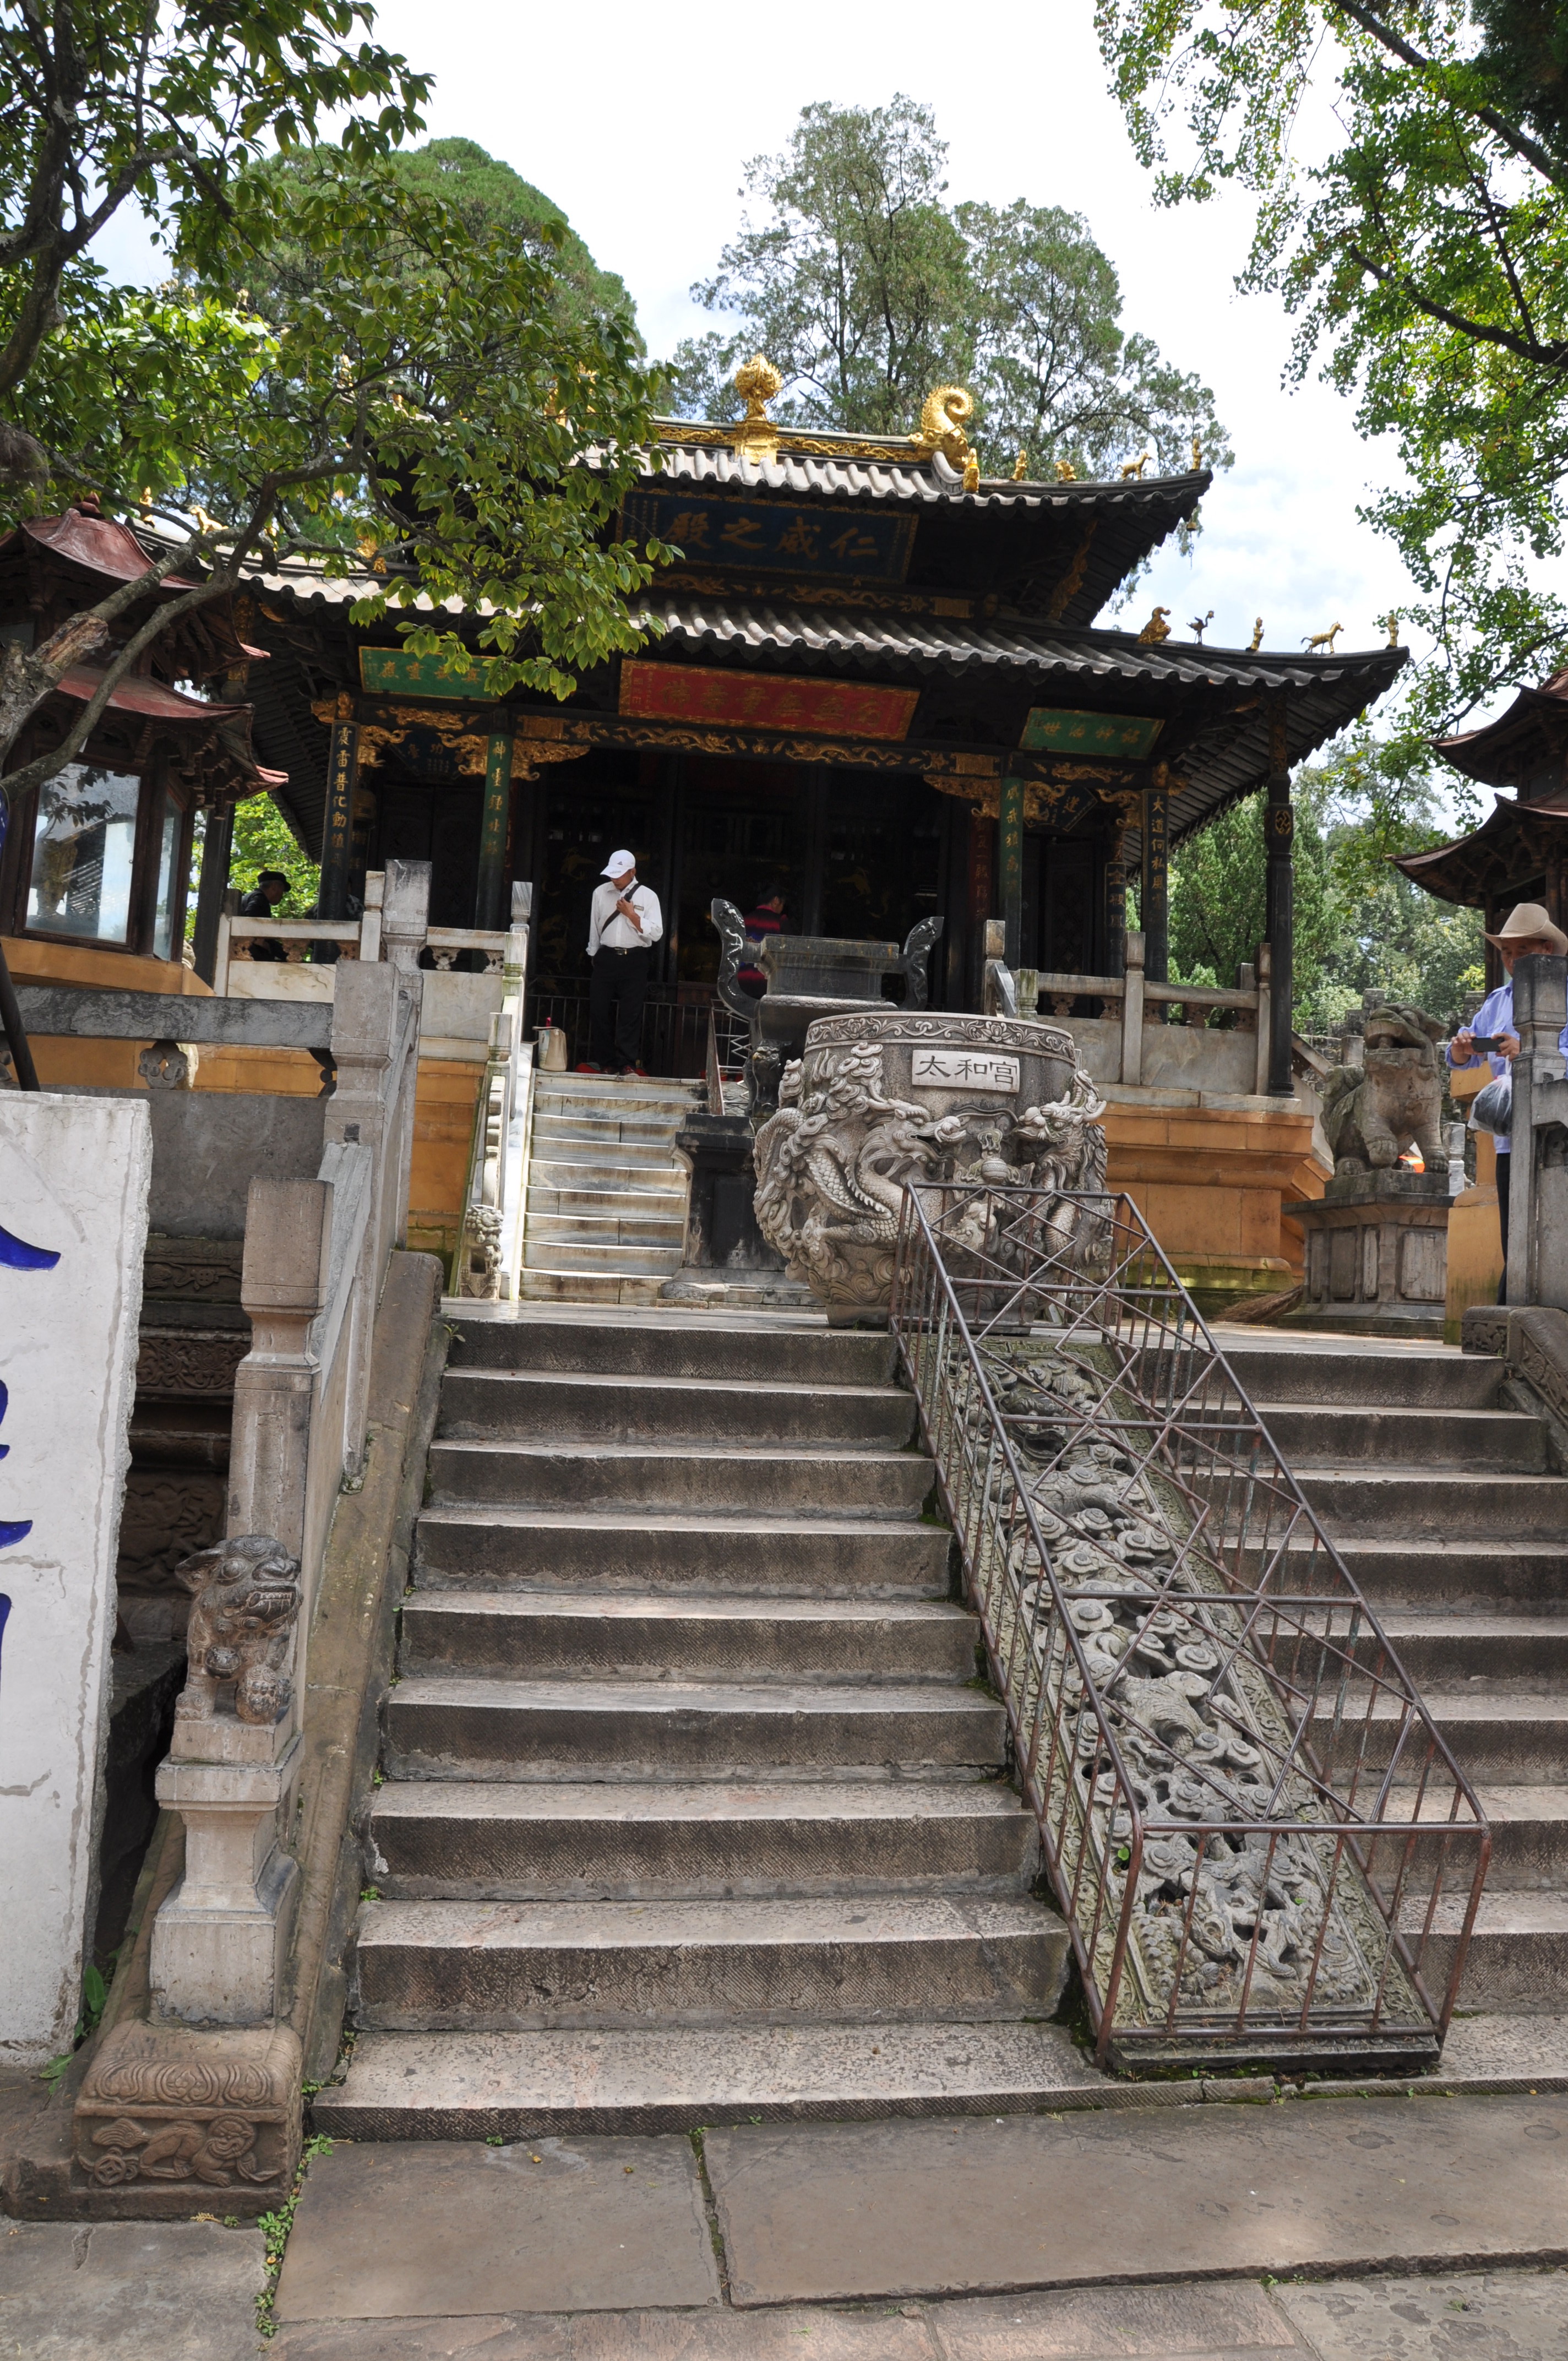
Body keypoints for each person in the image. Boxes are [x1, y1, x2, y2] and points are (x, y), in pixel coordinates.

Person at [1447, 901, 1568, 1299]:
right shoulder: (1498, 1000)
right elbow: (1461, 1056)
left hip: (1558, 1126)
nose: (1513, 959)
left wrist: (1531, 1049)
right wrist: (1464, 1048)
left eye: (1523, 950)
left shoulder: (1563, 993)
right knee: (1514, 1226)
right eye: (1507, 952)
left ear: (1546, 949)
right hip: (1510, 1132)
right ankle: (1511, 1302)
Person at [584, 851, 663, 1076]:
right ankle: (607, 1062)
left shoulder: (648, 896)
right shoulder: (600, 893)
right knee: (599, 1010)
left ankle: (628, 1062)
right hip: (606, 957)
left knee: (631, 1013)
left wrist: (632, 915)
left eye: (619, 874)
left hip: (635, 958)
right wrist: (594, 954)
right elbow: (594, 927)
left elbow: (657, 933)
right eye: (612, 874)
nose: (615, 879)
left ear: (633, 872)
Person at [737, 883, 791, 997]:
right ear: (776, 900)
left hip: (741, 982)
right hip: (767, 983)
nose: (782, 909)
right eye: (782, 905)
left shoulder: (743, 921)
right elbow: (788, 955)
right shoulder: (781, 921)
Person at [237, 869, 290, 960]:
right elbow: (250, 918)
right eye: (282, 890)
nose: (282, 895)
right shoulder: (259, 899)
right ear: (275, 887)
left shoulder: (249, 897)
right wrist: (262, 942)